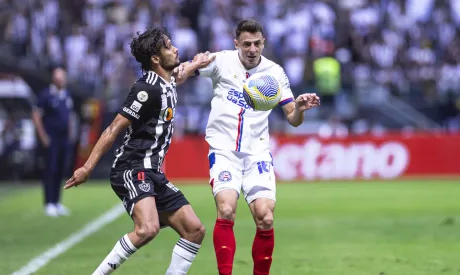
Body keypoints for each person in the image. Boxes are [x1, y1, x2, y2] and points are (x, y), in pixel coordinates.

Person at [64, 27, 214, 275]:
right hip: (132, 168)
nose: (175, 48)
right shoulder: (146, 89)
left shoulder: (168, 80)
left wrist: (197, 63)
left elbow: (181, 72)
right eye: (168, 46)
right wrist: (87, 167)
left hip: (152, 172)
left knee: (194, 230)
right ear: (155, 58)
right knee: (147, 229)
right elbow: (113, 128)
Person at [178, 19, 321, 275]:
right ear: (237, 44)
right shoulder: (221, 61)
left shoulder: (275, 72)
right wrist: (191, 66)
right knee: (226, 208)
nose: (252, 49)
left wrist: (299, 107)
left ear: (263, 43)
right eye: (246, 44)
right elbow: (180, 75)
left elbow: (293, 119)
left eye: (257, 44)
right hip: (224, 150)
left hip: (257, 153)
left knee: (265, 217)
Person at [32, 67, 73, 217]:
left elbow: (68, 117)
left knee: (61, 170)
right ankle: (48, 202)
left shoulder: (66, 95)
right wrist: (43, 136)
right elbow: (36, 115)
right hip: (51, 139)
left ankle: (57, 202)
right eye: (60, 77)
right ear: (54, 79)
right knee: (51, 169)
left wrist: (69, 134)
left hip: (63, 139)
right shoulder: (46, 95)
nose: (63, 80)